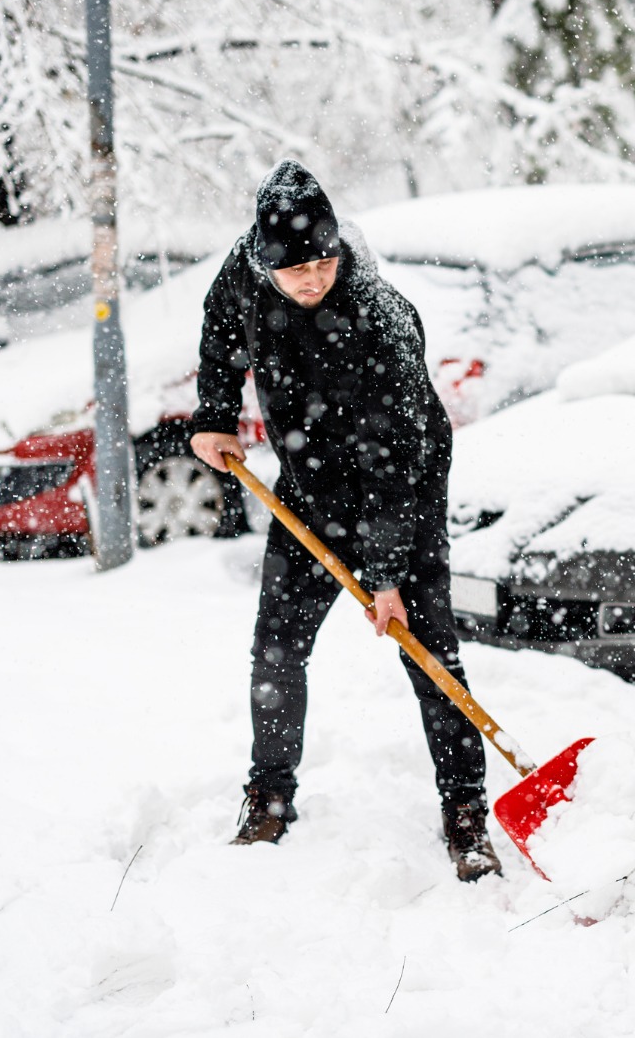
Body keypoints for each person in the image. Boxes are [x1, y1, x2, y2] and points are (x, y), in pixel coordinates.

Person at [188, 160, 499, 881]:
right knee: (276, 648)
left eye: (323, 261)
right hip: (307, 488)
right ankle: (269, 793)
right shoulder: (247, 272)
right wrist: (213, 415)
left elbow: (395, 461)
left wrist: (385, 575)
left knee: (430, 658)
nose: (311, 278)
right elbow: (219, 330)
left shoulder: (378, 317)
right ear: (264, 261)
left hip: (402, 495)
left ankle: (465, 809)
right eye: (295, 269)